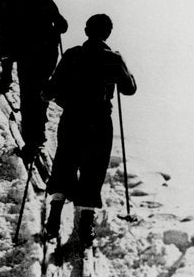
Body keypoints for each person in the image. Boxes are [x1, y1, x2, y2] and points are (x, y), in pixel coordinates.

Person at [41, 14, 136, 247]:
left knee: (65, 162)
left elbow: (49, 90)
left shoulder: (72, 55)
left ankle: (53, 220)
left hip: (72, 118)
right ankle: (85, 225)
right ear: (108, 34)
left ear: (86, 30)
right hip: (99, 121)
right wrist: (122, 67)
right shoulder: (112, 59)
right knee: (93, 168)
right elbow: (129, 89)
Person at [0, 0, 67, 156]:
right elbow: (62, 24)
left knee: (28, 94)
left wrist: (4, 52)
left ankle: (31, 141)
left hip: (26, 54)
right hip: (47, 53)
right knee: (41, 90)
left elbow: (2, 28)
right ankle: (40, 132)